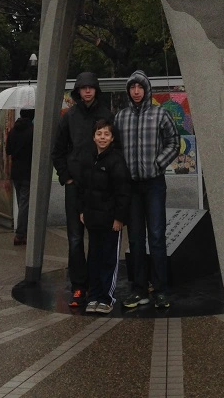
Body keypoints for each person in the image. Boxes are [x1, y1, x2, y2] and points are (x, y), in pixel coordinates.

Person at [52, 72, 117, 309]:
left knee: (98, 238)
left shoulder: (106, 116)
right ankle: (79, 285)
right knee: (75, 237)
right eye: (83, 87)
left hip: (99, 186)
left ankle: (98, 285)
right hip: (76, 185)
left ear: (96, 90)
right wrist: (66, 177)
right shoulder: (69, 116)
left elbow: (113, 149)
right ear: (77, 91)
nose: (87, 91)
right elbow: (57, 150)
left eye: (91, 87)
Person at [115, 70, 179, 309]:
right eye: (132, 87)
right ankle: (139, 289)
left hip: (154, 184)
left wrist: (158, 163)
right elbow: (115, 148)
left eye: (140, 87)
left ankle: (160, 289)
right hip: (131, 187)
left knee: (156, 236)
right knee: (136, 239)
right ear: (128, 91)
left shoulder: (160, 114)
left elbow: (174, 141)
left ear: (147, 89)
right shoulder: (120, 117)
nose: (136, 91)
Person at [78, 118, 131, 314]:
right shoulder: (89, 158)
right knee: (94, 257)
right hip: (93, 219)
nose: (102, 137)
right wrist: (82, 210)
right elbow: (84, 188)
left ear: (112, 138)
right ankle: (94, 296)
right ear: (93, 136)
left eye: (106, 134)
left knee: (109, 259)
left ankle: (107, 298)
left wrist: (119, 218)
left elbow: (123, 192)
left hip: (110, 221)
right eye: (99, 134)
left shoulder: (116, 160)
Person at [6, 107, 35, 246]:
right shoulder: (33, 131)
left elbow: (8, 150)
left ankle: (23, 230)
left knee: (21, 202)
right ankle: (21, 233)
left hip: (16, 171)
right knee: (24, 203)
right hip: (28, 171)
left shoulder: (13, 131)